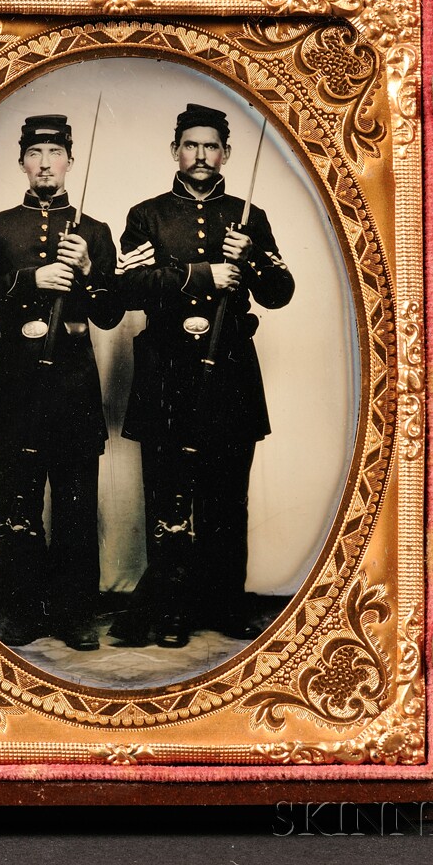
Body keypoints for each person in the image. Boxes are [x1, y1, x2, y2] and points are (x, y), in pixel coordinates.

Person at [110, 103, 294, 648]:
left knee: (225, 496)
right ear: (175, 151)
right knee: (167, 496)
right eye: (190, 145)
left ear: (226, 155)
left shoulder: (248, 216)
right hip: (166, 371)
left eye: (211, 146)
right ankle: (170, 611)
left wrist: (253, 256)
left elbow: (279, 293)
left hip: (230, 373)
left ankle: (224, 604)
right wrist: (201, 272)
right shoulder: (145, 216)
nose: (200, 155)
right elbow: (132, 290)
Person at [0, 114, 122, 651]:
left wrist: (91, 268)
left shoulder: (94, 231)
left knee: (76, 504)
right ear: (23, 160)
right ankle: (24, 608)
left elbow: (109, 315)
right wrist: (30, 279)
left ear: (70, 161)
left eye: (55, 153)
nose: (46, 163)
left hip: (72, 388)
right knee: (18, 500)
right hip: (14, 386)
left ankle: (74, 613)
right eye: (36, 153)